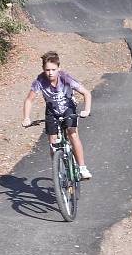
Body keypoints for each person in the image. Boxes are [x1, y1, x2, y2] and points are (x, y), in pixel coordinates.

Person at [22, 51, 93, 179]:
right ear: (43, 69)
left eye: (53, 69)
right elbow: (29, 100)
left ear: (58, 69)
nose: (50, 73)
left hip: (68, 108)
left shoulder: (65, 78)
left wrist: (86, 110)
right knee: (52, 142)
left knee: (72, 133)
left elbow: (86, 93)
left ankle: (82, 167)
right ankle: (58, 169)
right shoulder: (40, 81)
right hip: (52, 111)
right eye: (47, 70)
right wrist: (26, 117)